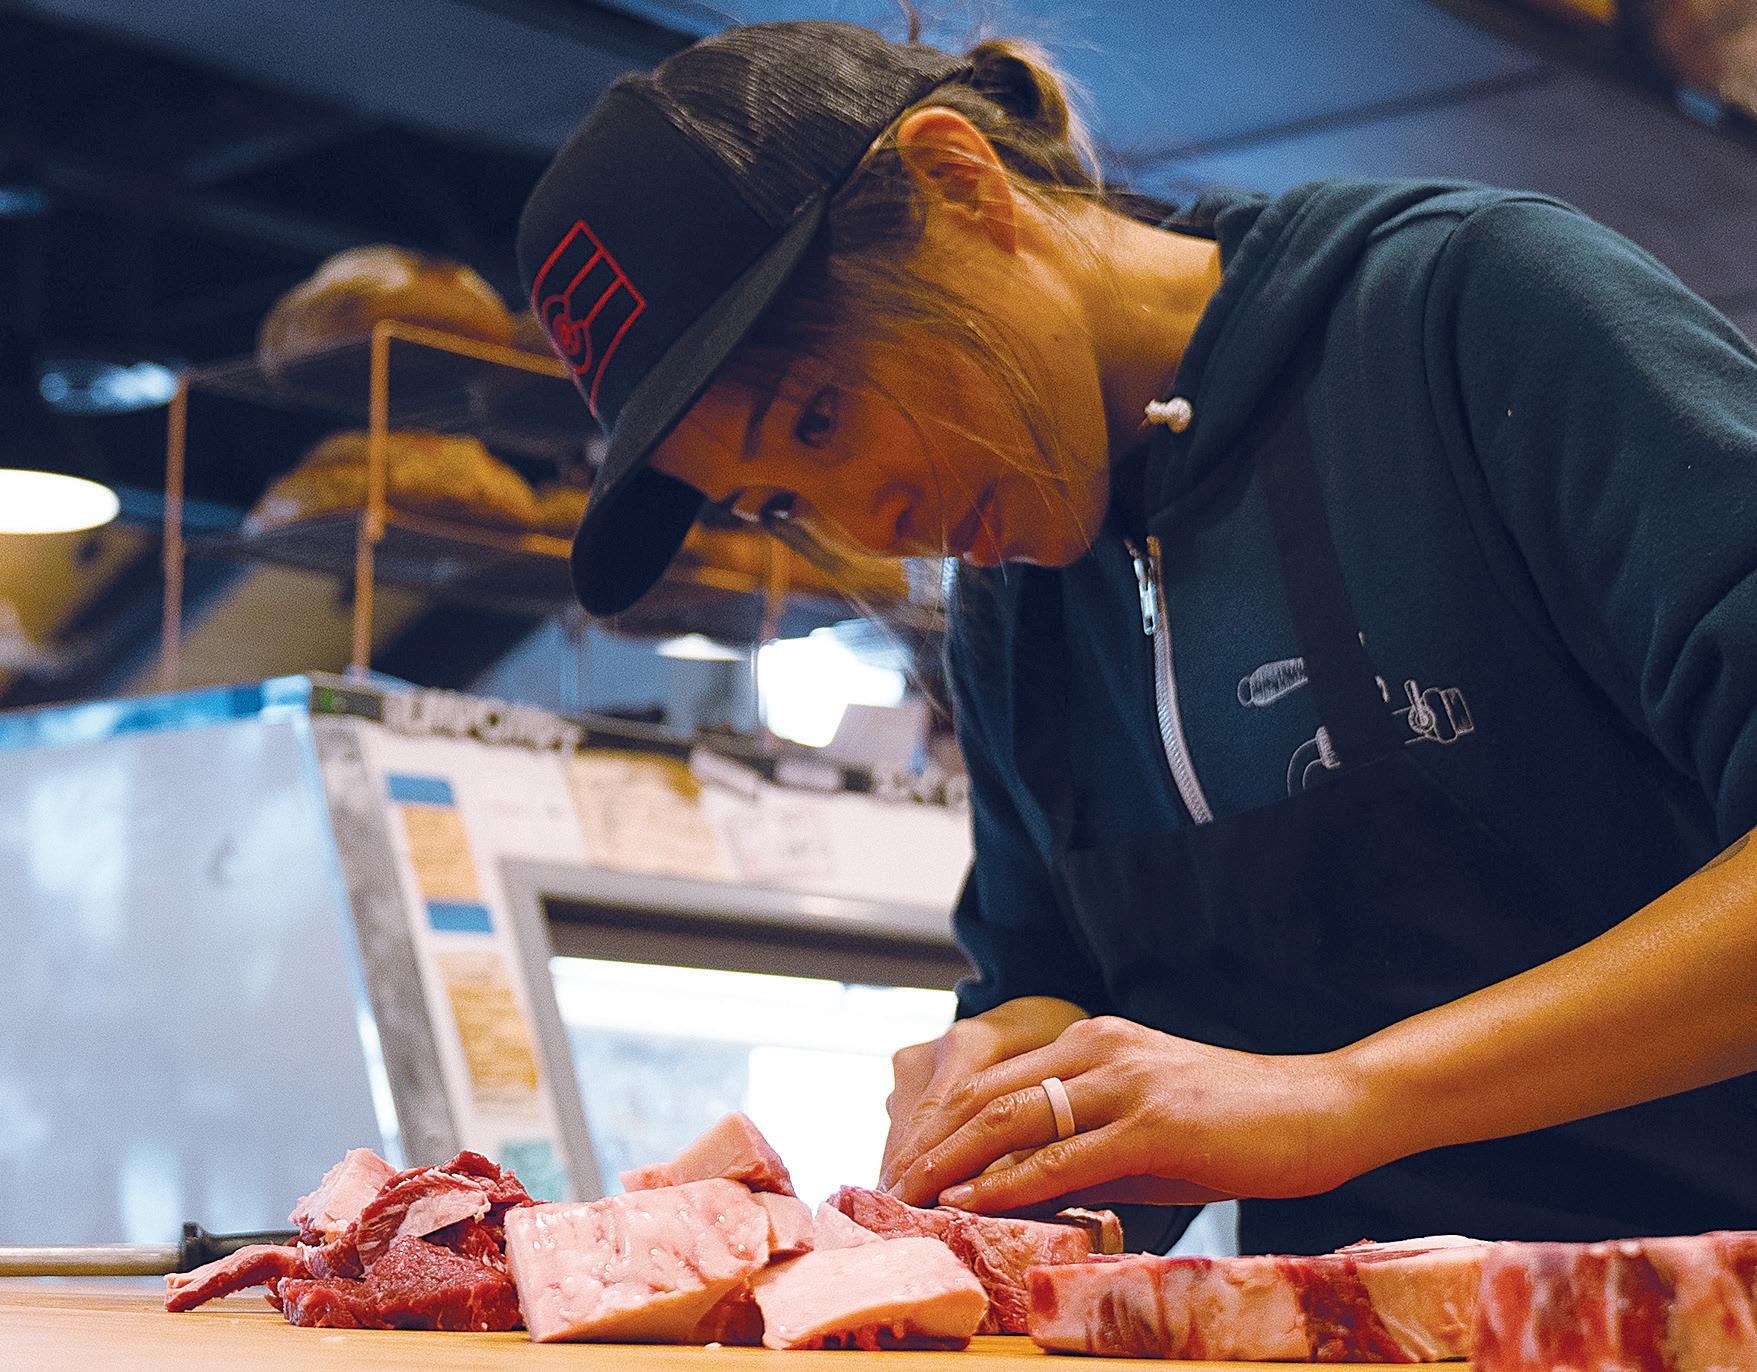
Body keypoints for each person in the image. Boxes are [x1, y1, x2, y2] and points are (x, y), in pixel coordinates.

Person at [518, 18, 1757, 1254]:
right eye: (780, 502)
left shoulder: (1466, 313)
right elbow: (1058, 982)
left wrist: (1341, 1098)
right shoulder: (1016, 617)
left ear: (960, 187)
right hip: (1374, 1324)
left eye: (821, 418)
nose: (865, 525)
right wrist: (1021, 1076)